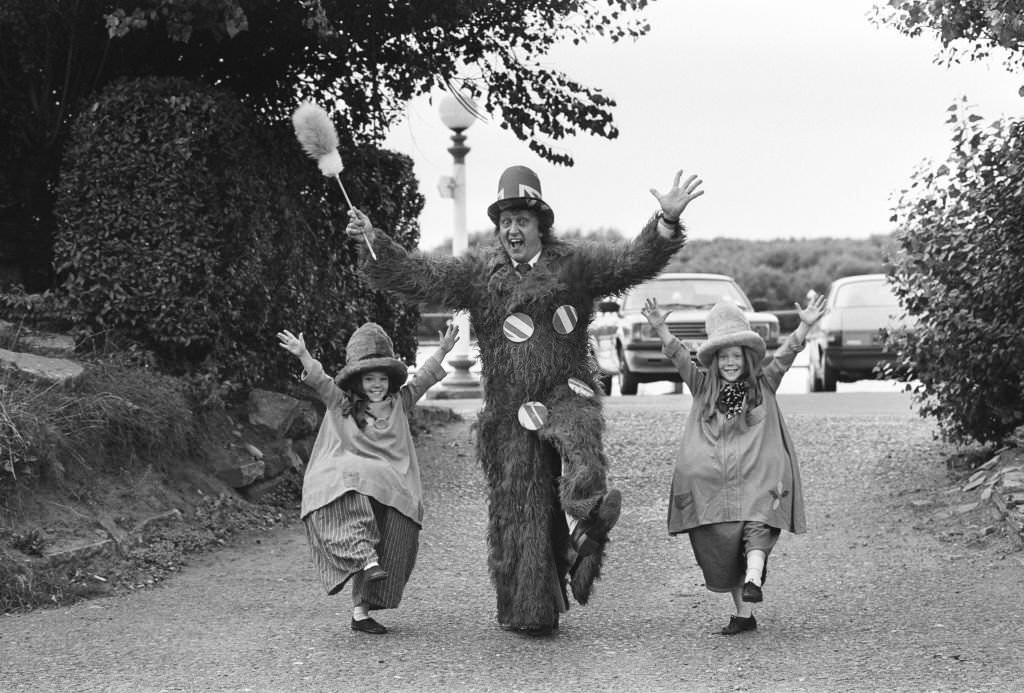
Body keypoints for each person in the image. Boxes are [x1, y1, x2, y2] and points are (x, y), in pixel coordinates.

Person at [344, 165, 704, 635]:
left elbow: (629, 261)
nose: (513, 230)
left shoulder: (573, 263)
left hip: (565, 389)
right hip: (507, 408)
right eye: (505, 221)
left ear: (540, 224)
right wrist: (374, 240)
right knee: (521, 507)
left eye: (522, 220)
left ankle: (587, 522)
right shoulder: (479, 273)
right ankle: (530, 610)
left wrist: (666, 223)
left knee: (582, 451)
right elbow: (420, 275)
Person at [641, 292, 827, 635]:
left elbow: (785, 356)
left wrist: (803, 327)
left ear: (746, 358)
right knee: (721, 549)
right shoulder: (702, 386)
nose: (730, 362)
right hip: (713, 484)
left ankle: (755, 577)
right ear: (715, 359)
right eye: (723, 355)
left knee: (758, 526)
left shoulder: (763, 383)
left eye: (735, 355)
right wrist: (660, 330)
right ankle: (744, 614)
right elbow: (680, 358)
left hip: (757, 477)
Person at [276, 321, 459, 635]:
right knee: (351, 497)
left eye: (382, 378)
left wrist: (442, 350)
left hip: (393, 487)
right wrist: (303, 354)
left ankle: (361, 613)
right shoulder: (342, 404)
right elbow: (320, 381)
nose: (377, 385)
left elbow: (425, 377)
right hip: (354, 481)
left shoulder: (399, 403)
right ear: (358, 382)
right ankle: (362, 556)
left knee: (393, 545)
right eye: (370, 378)